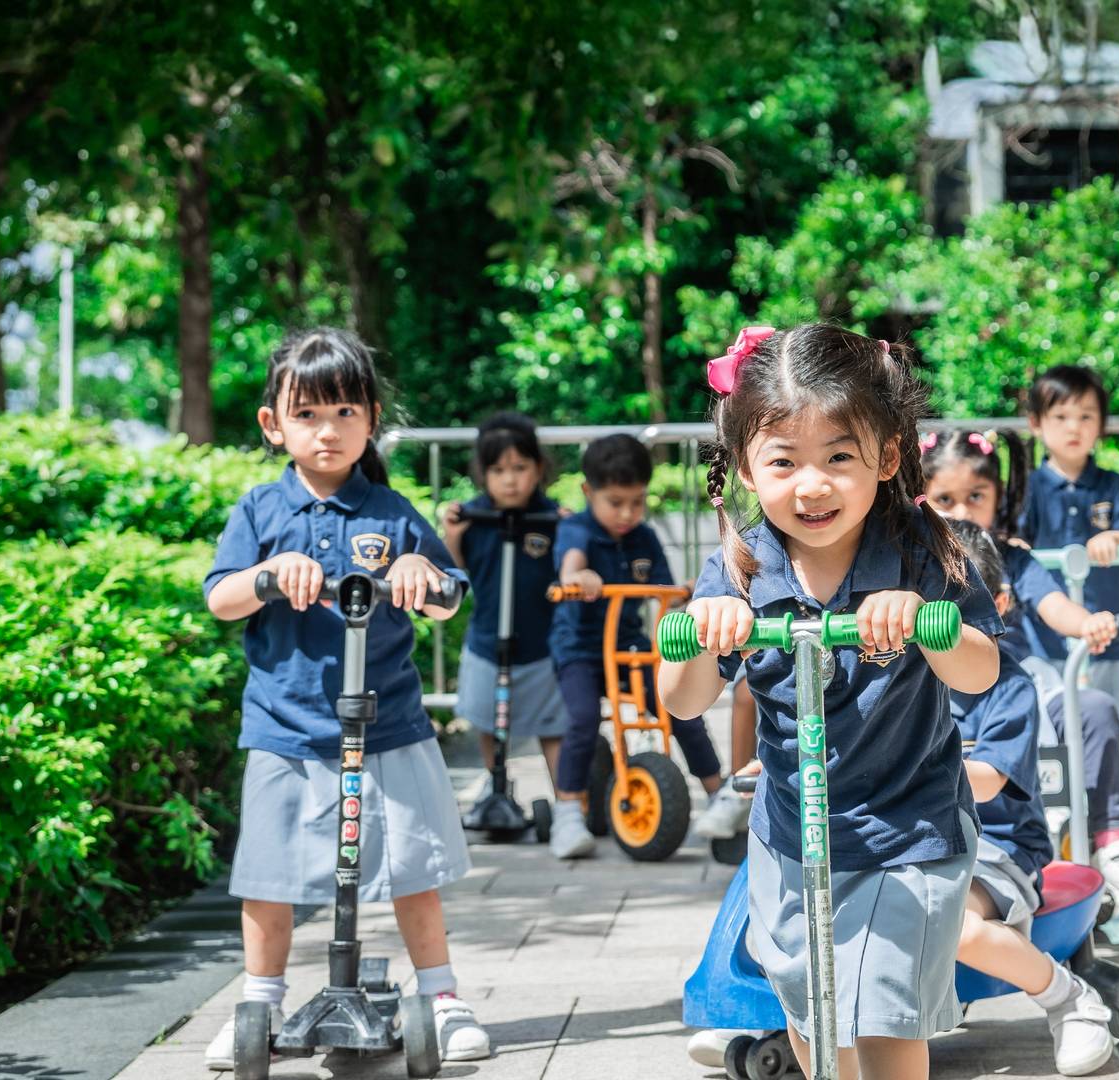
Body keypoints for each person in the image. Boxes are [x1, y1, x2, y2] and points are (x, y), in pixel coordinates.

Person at [660, 324, 1002, 1080]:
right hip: (792, 831)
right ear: (747, 468)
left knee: (882, 1010)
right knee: (811, 1004)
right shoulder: (744, 563)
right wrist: (701, 638)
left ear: (885, 456)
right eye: (783, 462)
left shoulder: (920, 548)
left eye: (838, 458)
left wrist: (921, 620)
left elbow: (979, 672)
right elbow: (683, 703)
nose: (811, 485)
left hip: (906, 829)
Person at [198, 328, 494, 1068]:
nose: (326, 432)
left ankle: (443, 996)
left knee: (411, 870)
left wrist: (422, 582)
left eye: (344, 413)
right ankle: (259, 999)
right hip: (285, 727)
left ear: (370, 419)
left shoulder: (390, 513)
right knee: (267, 879)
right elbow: (220, 598)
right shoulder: (262, 512)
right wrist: (270, 574)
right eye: (307, 415)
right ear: (274, 424)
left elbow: (450, 596)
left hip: (387, 722)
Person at [924, 428, 1119, 914]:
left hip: (1019, 683)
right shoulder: (918, 558)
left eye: (975, 497)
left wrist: (1088, 625)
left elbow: (1055, 604)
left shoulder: (1011, 559)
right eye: (944, 500)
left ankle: (1112, 839)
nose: (961, 512)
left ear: (998, 496)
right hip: (940, 689)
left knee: (1095, 710)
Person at [944, 519, 1118, 1076]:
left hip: (995, 846)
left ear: (999, 604)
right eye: (924, 609)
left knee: (955, 923)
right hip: (907, 835)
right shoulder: (900, 680)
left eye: (956, 611)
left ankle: (1066, 997)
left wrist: (901, 769)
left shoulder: (1009, 686)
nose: (938, 630)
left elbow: (990, 780)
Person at [547, 433, 742, 857]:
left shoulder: (644, 537)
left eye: (636, 502)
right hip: (580, 648)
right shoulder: (576, 528)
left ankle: (718, 795)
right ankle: (566, 814)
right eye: (615, 502)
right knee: (581, 720)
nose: (627, 513)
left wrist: (690, 592)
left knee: (680, 710)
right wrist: (579, 579)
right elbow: (571, 566)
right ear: (588, 492)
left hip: (631, 647)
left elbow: (667, 590)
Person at [437, 412, 565, 803]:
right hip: (486, 643)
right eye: (498, 470)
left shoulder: (552, 518)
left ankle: (567, 803)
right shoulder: (473, 518)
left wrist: (572, 531)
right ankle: (496, 789)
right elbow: (449, 573)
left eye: (520, 468)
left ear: (538, 468)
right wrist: (452, 536)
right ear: (482, 473)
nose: (509, 479)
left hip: (542, 646)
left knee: (552, 726)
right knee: (487, 722)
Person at [1012, 365, 1119, 713]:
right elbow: (1012, 539)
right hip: (1043, 639)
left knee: (1105, 726)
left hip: (1105, 635)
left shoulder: (1114, 485)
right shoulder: (1028, 488)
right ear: (1036, 424)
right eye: (1060, 416)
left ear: (1101, 424)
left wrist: (1115, 538)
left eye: (1086, 416)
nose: (1074, 427)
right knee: (1051, 729)